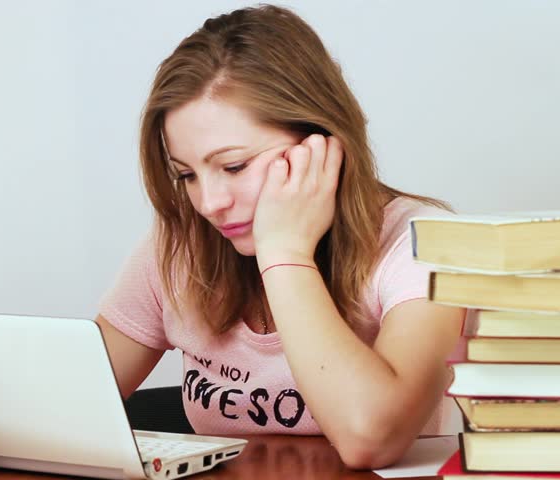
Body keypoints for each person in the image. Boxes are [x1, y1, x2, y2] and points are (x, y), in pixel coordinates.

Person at [96, 4, 465, 469]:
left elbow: (371, 438)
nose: (209, 203)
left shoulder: (425, 245)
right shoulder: (178, 249)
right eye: (186, 175)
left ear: (321, 140)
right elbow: (66, 407)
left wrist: (285, 253)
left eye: (234, 166)